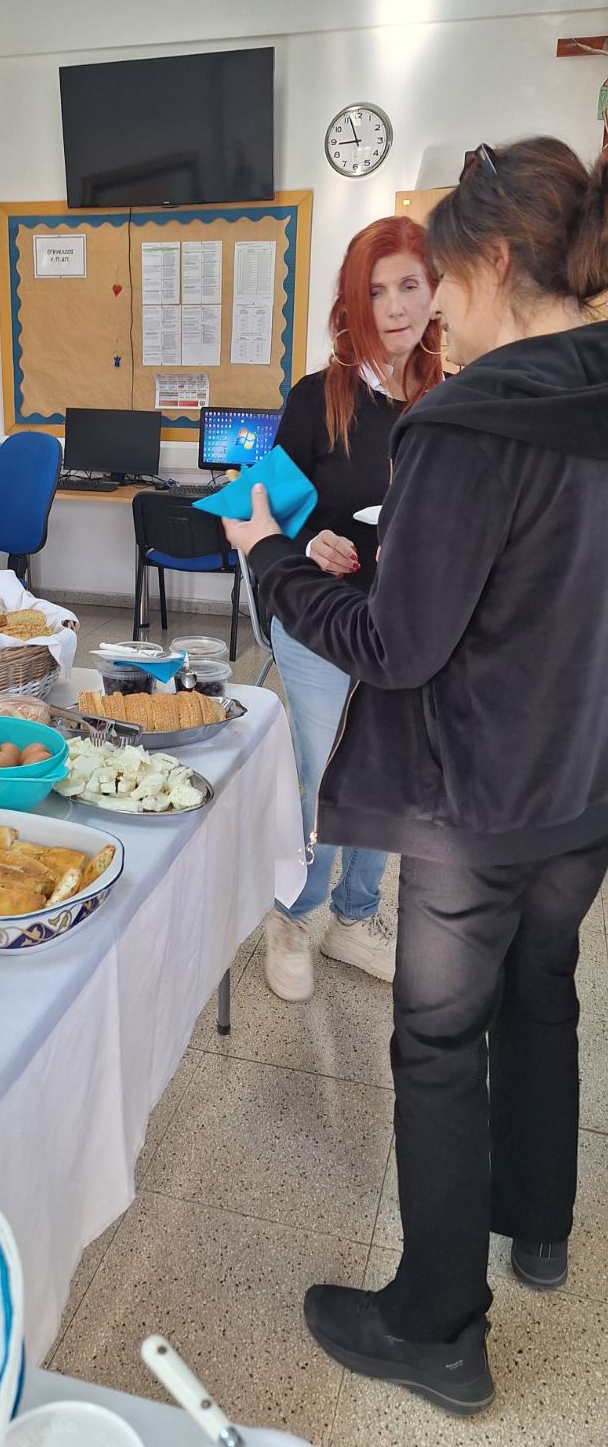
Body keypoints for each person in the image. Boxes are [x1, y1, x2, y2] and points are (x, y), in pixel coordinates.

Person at [224, 136, 608, 1415]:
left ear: (491, 262)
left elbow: (399, 649)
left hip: (475, 794)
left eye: (437, 276)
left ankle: (437, 1325)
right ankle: (537, 1221)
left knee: (439, 1041)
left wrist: (271, 555)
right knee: (542, 988)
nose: (429, 304)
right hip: (583, 779)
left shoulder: (470, 417)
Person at [264, 216, 441, 1001]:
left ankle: (354, 916)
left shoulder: (445, 401)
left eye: (409, 285)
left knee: (390, 772)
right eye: (375, 291)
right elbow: (266, 507)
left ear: (436, 293)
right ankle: (292, 917)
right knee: (326, 773)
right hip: (319, 619)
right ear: (351, 303)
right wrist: (310, 540)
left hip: (405, 626)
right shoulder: (318, 398)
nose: (394, 307)